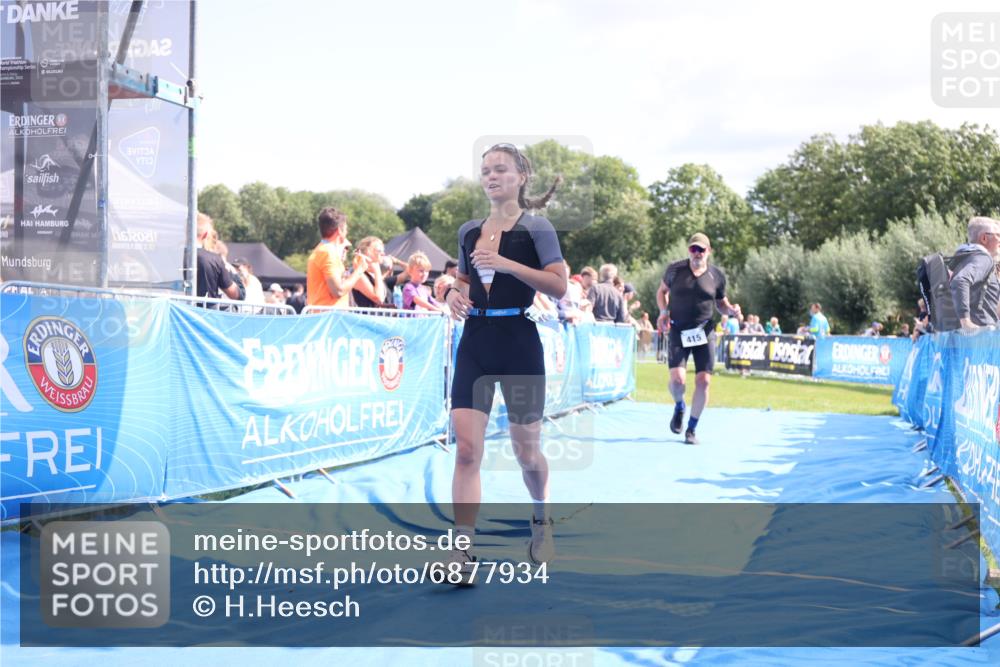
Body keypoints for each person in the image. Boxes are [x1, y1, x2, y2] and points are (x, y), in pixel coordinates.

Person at [443, 142, 565, 581]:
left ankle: (540, 518)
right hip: (475, 339)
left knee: (525, 450)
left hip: (518, 339)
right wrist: (453, 293)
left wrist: (506, 263)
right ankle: (462, 552)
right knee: (467, 450)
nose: (491, 176)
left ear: (520, 177)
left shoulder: (537, 228)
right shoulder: (469, 231)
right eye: (485, 170)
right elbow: (461, 278)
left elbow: (558, 285)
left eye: (500, 170)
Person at [656, 232, 740, 445]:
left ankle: (691, 429)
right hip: (678, 330)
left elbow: (721, 303)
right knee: (678, 381)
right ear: (689, 251)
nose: (697, 253)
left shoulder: (717, 275)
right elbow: (661, 292)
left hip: (704, 332)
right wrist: (663, 312)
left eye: (701, 249)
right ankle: (679, 406)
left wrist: (730, 310)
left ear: (708, 251)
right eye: (693, 249)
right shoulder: (675, 269)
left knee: (703, 381)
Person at [306, 207, 370, 308]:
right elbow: (338, 291)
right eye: (346, 229)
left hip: (326, 317)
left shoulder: (322, 250)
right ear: (340, 230)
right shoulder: (327, 253)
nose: (347, 232)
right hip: (329, 319)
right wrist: (359, 270)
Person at [950, 216, 1000, 330]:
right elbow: (960, 280)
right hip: (982, 336)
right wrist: (966, 322)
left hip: (962, 338)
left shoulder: (962, 258)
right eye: (998, 235)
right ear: (984, 238)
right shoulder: (983, 258)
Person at [195, 213, 240, 303]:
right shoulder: (214, 259)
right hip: (202, 314)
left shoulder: (171, 255)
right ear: (205, 235)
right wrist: (233, 273)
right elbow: (237, 295)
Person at [352, 236, 390, 308]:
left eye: (383, 251)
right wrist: (377, 270)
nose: (383, 254)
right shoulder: (359, 275)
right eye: (379, 251)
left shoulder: (374, 275)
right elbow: (379, 299)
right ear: (367, 252)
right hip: (367, 318)